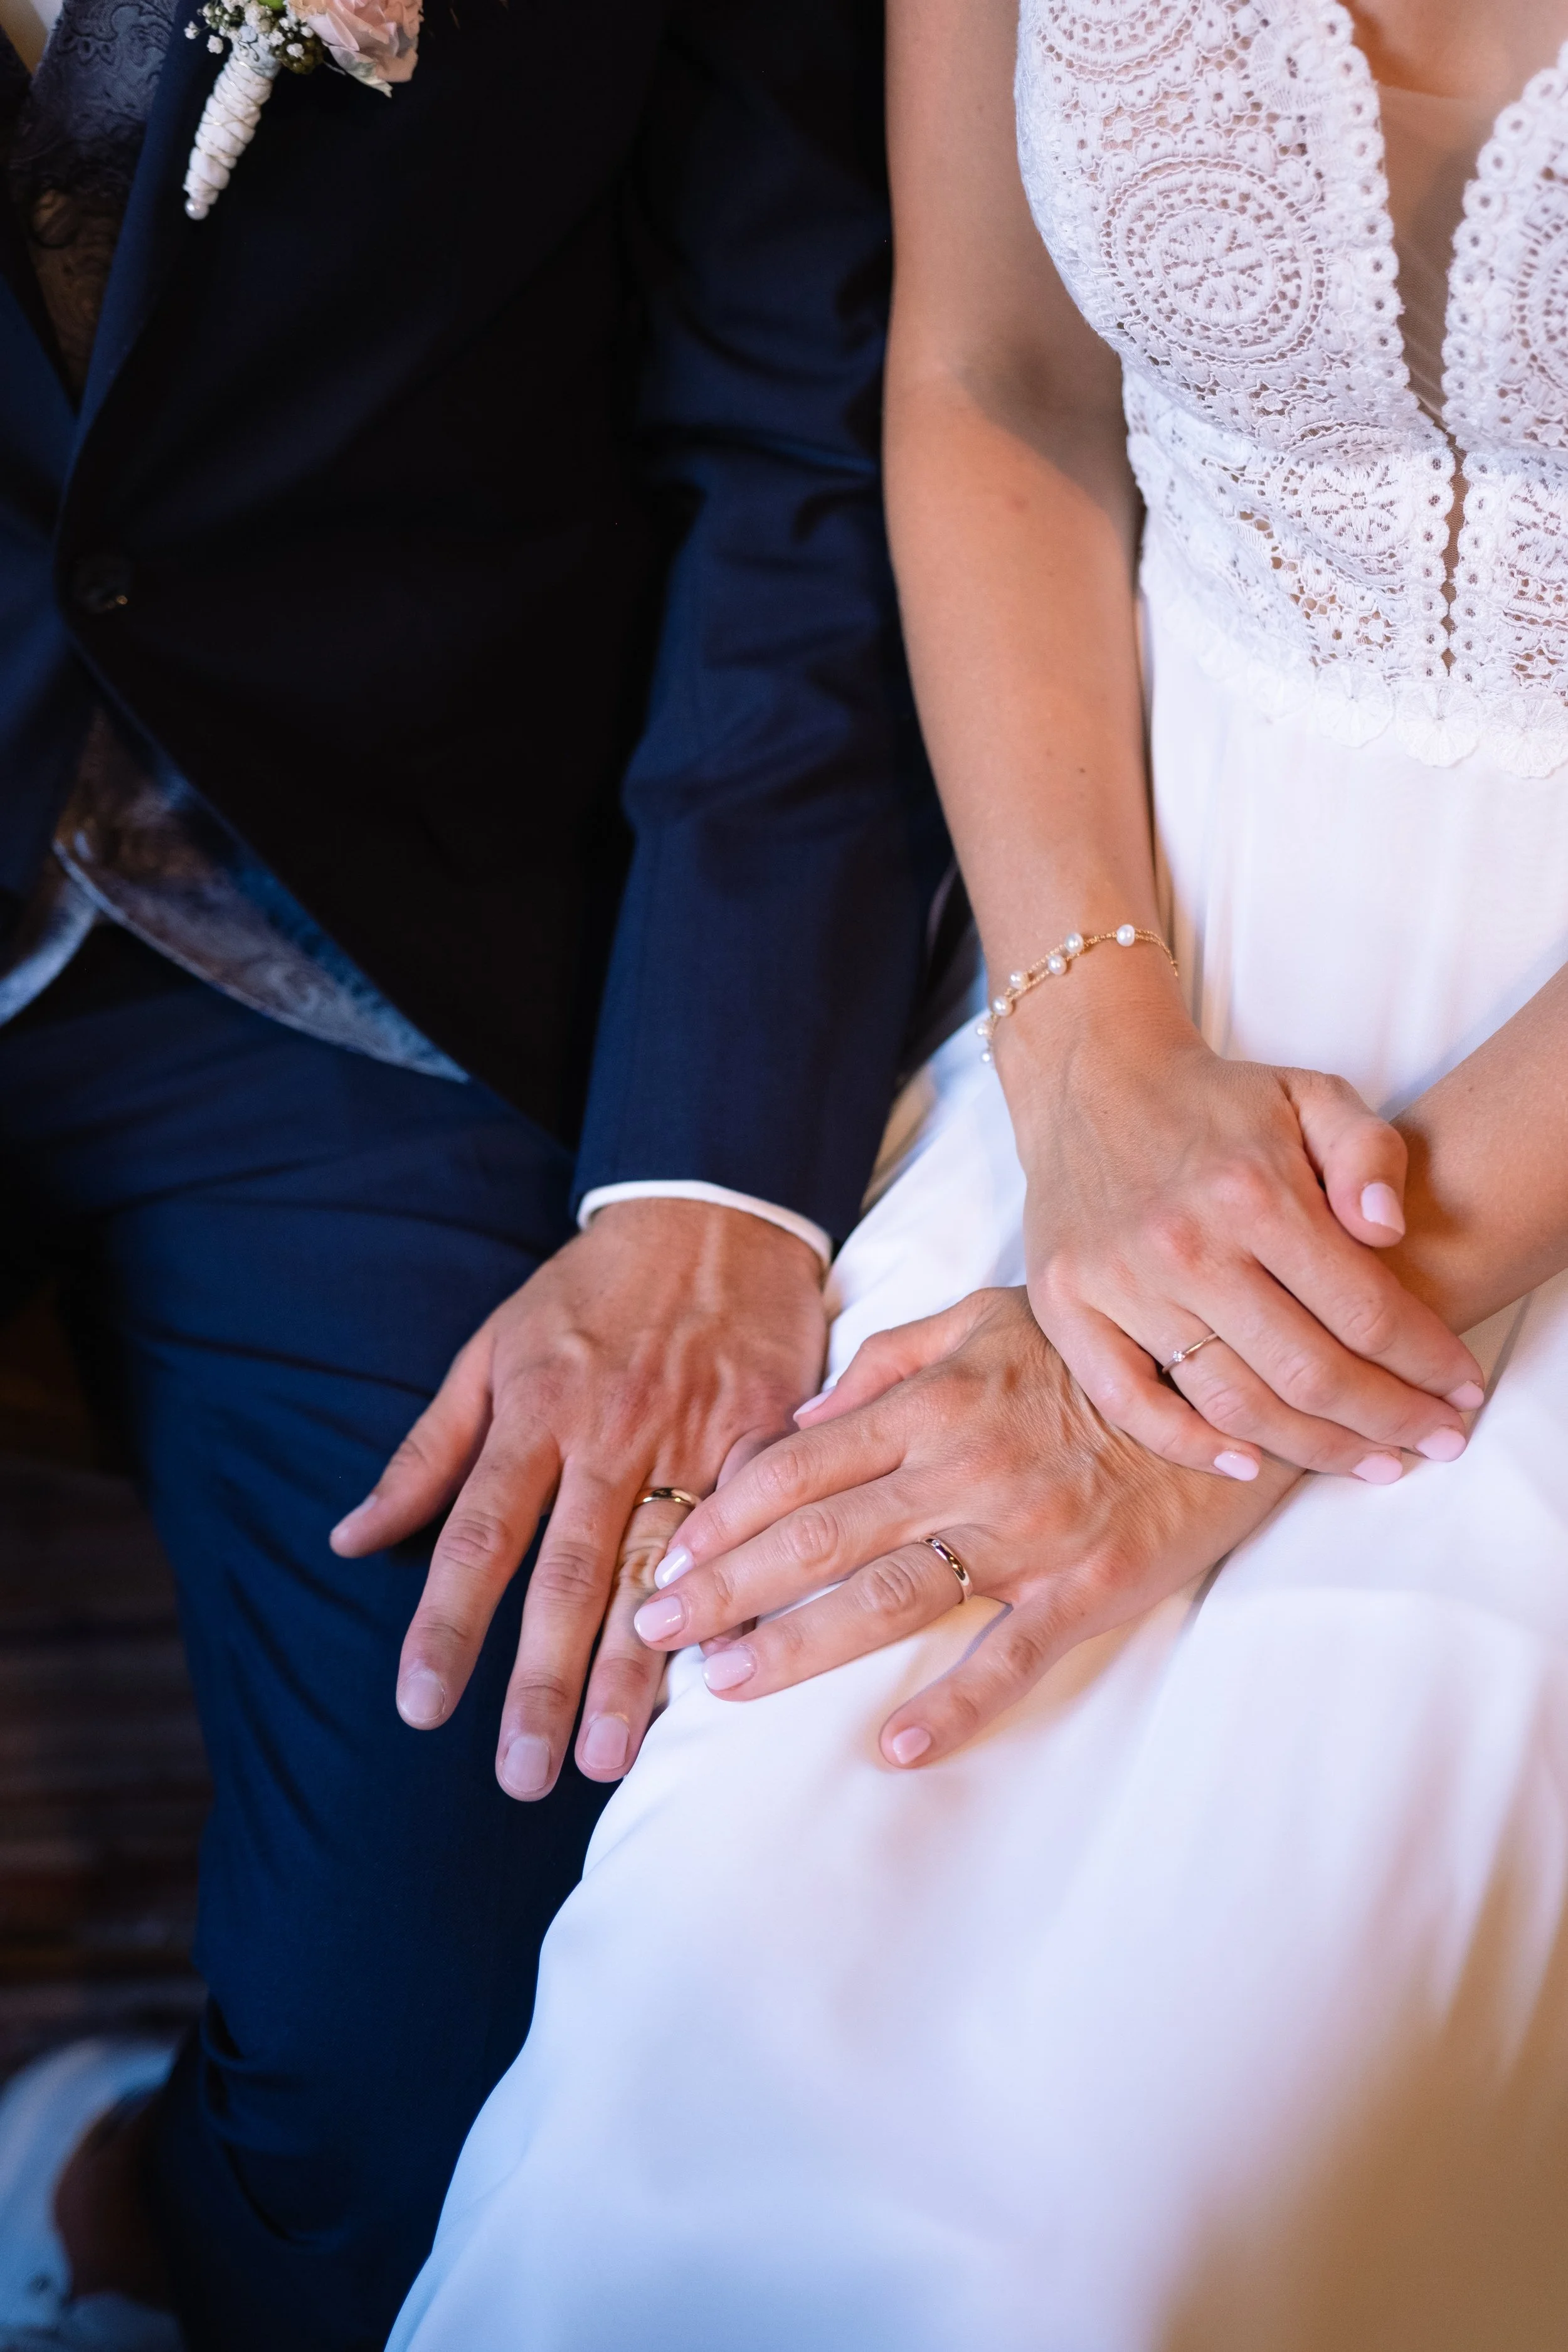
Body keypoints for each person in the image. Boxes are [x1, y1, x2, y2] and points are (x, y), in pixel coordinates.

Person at [388, 1, 1568, 2345]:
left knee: (1141, 2216)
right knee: (715, 1988)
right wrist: (1100, 1048)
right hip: (1130, 925)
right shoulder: (1103, 1037)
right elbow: (995, 379)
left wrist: (1233, 1361)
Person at [0, 2, 950, 2346]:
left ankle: (112, 2201)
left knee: (452, 2080)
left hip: (352, 914)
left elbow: (799, 418)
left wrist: (704, 1179)